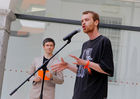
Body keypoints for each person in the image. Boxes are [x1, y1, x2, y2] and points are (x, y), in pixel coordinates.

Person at [51, 11, 114, 99]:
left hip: (94, 95)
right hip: (79, 95)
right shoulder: (85, 44)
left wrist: (87, 63)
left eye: (87, 20)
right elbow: (82, 71)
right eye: (82, 21)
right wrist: (68, 66)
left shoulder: (103, 41)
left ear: (96, 22)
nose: (83, 23)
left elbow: (107, 69)